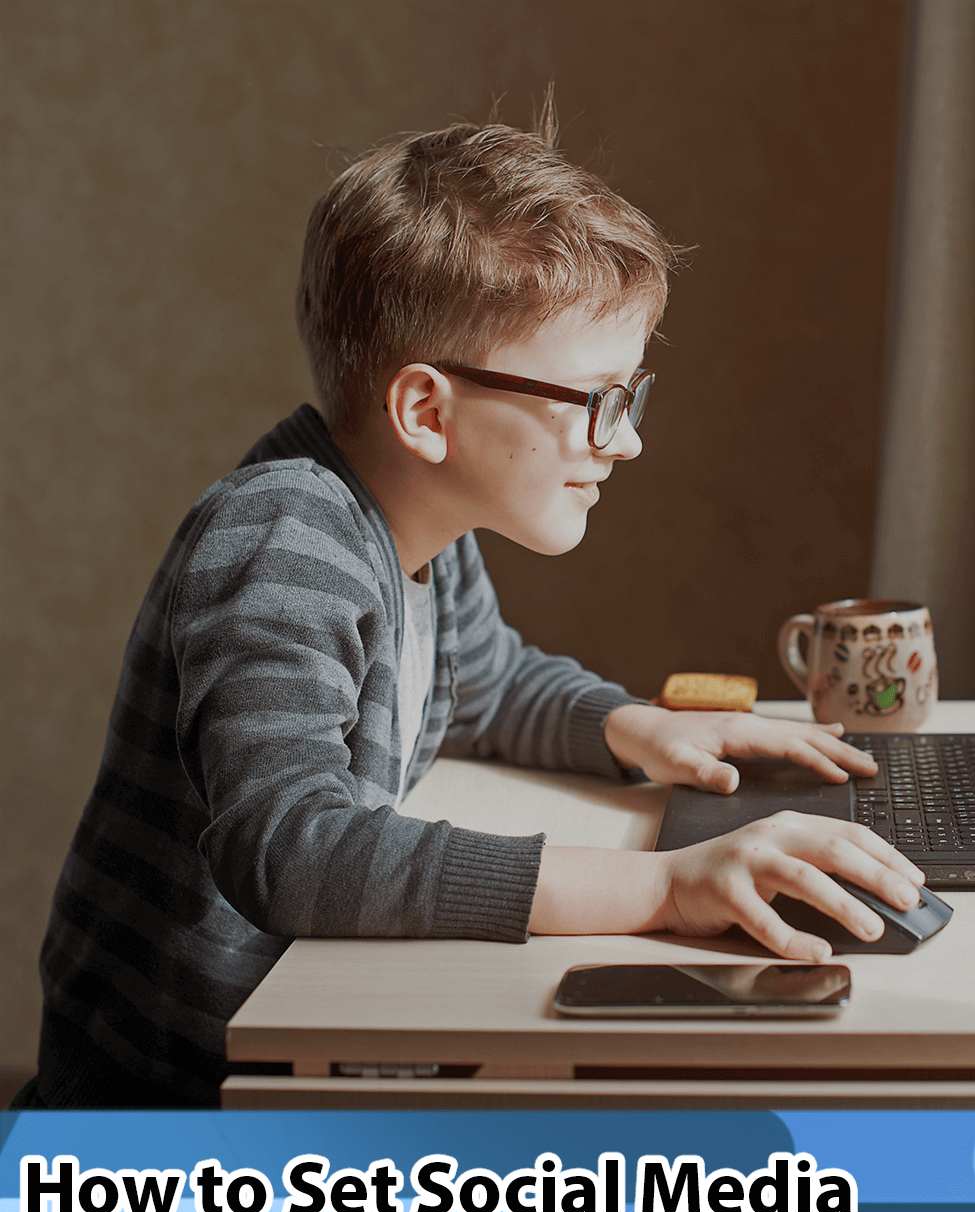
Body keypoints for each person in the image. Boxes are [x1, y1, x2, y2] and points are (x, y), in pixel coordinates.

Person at [32, 120, 924, 1108]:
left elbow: (487, 685)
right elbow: (292, 846)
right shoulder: (287, 541)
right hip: (177, 1112)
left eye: (631, 397)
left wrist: (641, 729)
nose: (622, 443)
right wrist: (663, 886)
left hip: (298, 1055)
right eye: (595, 399)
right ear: (427, 412)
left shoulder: (419, 532)